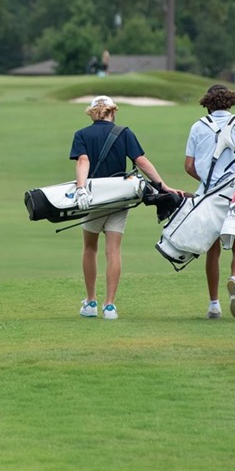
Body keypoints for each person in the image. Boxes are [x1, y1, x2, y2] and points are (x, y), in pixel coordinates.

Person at [71, 95, 182, 320]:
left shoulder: (82, 134)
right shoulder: (124, 132)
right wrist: (163, 186)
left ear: (93, 112)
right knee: (113, 251)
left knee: (90, 248)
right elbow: (140, 161)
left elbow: (83, 161)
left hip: (92, 198)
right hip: (119, 199)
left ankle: (91, 301)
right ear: (113, 112)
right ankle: (109, 306)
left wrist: (81, 188)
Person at [184, 84, 235, 320]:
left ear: (207, 103)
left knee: (212, 251)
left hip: (208, 194)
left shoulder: (198, 126)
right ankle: (234, 279)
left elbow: (189, 166)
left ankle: (213, 304)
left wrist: (206, 179)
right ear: (230, 102)